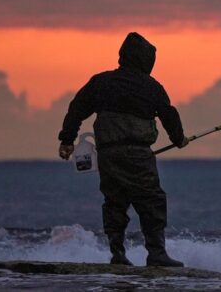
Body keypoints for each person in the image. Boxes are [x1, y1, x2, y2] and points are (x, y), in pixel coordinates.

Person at [58, 32, 188, 267]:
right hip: (138, 155)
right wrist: (179, 140)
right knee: (152, 201)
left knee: (115, 202)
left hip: (108, 155)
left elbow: (77, 107)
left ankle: (117, 254)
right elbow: (170, 115)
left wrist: (67, 140)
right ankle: (157, 254)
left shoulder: (101, 82)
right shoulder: (152, 87)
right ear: (145, 60)